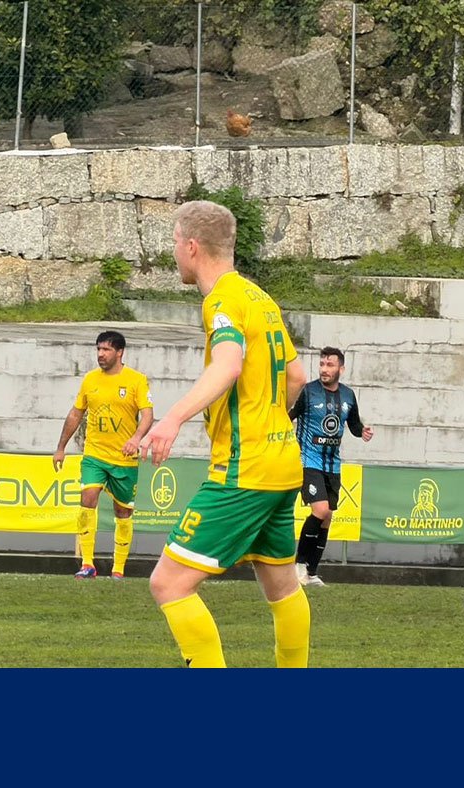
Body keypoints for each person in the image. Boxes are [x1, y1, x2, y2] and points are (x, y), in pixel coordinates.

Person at [138, 200, 310, 668]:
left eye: (175, 243)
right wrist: (270, 423)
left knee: (169, 584)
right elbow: (297, 377)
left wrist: (173, 418)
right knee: (282, 587)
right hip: (282, 462)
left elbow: (229, 364)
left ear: (192, 246)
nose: (175, 252)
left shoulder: (221, 301)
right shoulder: (260, 298)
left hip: (244, 468)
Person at [53, 330, 154, 579]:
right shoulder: (90, 380)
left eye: (106, 349)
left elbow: (148, 414)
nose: (100, 354)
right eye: (98, 349)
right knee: (88, 497)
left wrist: (136, 439)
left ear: (119, 352)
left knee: (123, 512)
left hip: (123, 459)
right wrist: (61, 447)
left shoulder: (136, 380)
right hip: (94, 454)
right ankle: (87, 564)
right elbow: (76, 413)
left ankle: (118, 568)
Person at [289, 346, 373, 586]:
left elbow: (353, 425)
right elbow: (289, 416)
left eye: (330, 365)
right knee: (320, 510)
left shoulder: (348, 395)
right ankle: (298, 565)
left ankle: (311, 573)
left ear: (341, 369)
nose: (324, 369)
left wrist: (362, 431)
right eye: (322, 364)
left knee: (327, 518)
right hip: (308, 461)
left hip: (333, 465)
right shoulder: (308, 392)